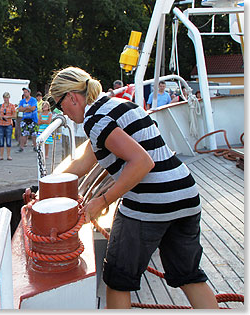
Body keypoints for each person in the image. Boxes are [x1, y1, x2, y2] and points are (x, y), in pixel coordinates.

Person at [47, 66, 219, 309]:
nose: (60, 111)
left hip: (151, 202)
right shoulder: (117, 105)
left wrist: (101, 201)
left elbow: (142, 162)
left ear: (72, 97)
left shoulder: (95, 121)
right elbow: (83, 163)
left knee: (118, 279)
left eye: (57, 105)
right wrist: (43, 189)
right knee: (190, 275)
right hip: (185, 195)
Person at [0, 92, 16, 160]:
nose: (6, 99)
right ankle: (1, 155)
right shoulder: (0, 106)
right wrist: (0, 117)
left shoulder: (12, 106)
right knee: (1, 140)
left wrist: (8, 117)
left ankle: (8, 155)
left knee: (8, 139)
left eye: (7, 97)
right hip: (1, 124)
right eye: (5, 97)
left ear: (9, 98)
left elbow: (14, 115)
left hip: (8, 124)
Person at [17, 87, 38, 152]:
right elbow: (19, 109)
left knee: (34, 134)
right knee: (23, 134)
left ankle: (35, 147)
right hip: (25, 119)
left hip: (33, 119)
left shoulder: (33, 100)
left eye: (26, 92)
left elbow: (33, 108)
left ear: (29, 92)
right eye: (24, 92)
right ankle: (21, 147)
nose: (25, 93)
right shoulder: (22, 101)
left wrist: (25, 108)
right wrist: (27, 108)